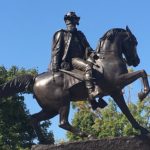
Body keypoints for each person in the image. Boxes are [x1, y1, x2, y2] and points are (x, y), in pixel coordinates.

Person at [49, 12, 103, 110]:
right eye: (69, 20)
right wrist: (55, 66)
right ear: (66, 22)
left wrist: (95, 55)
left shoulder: (80, 34)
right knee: (88, 66)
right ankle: (92, 94)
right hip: (70, 61)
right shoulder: (61, 34)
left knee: (98, 68)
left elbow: (88, 48)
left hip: (81, 59)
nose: (71, 23)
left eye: (73, 20)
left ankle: (95, 100)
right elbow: (56, 51)